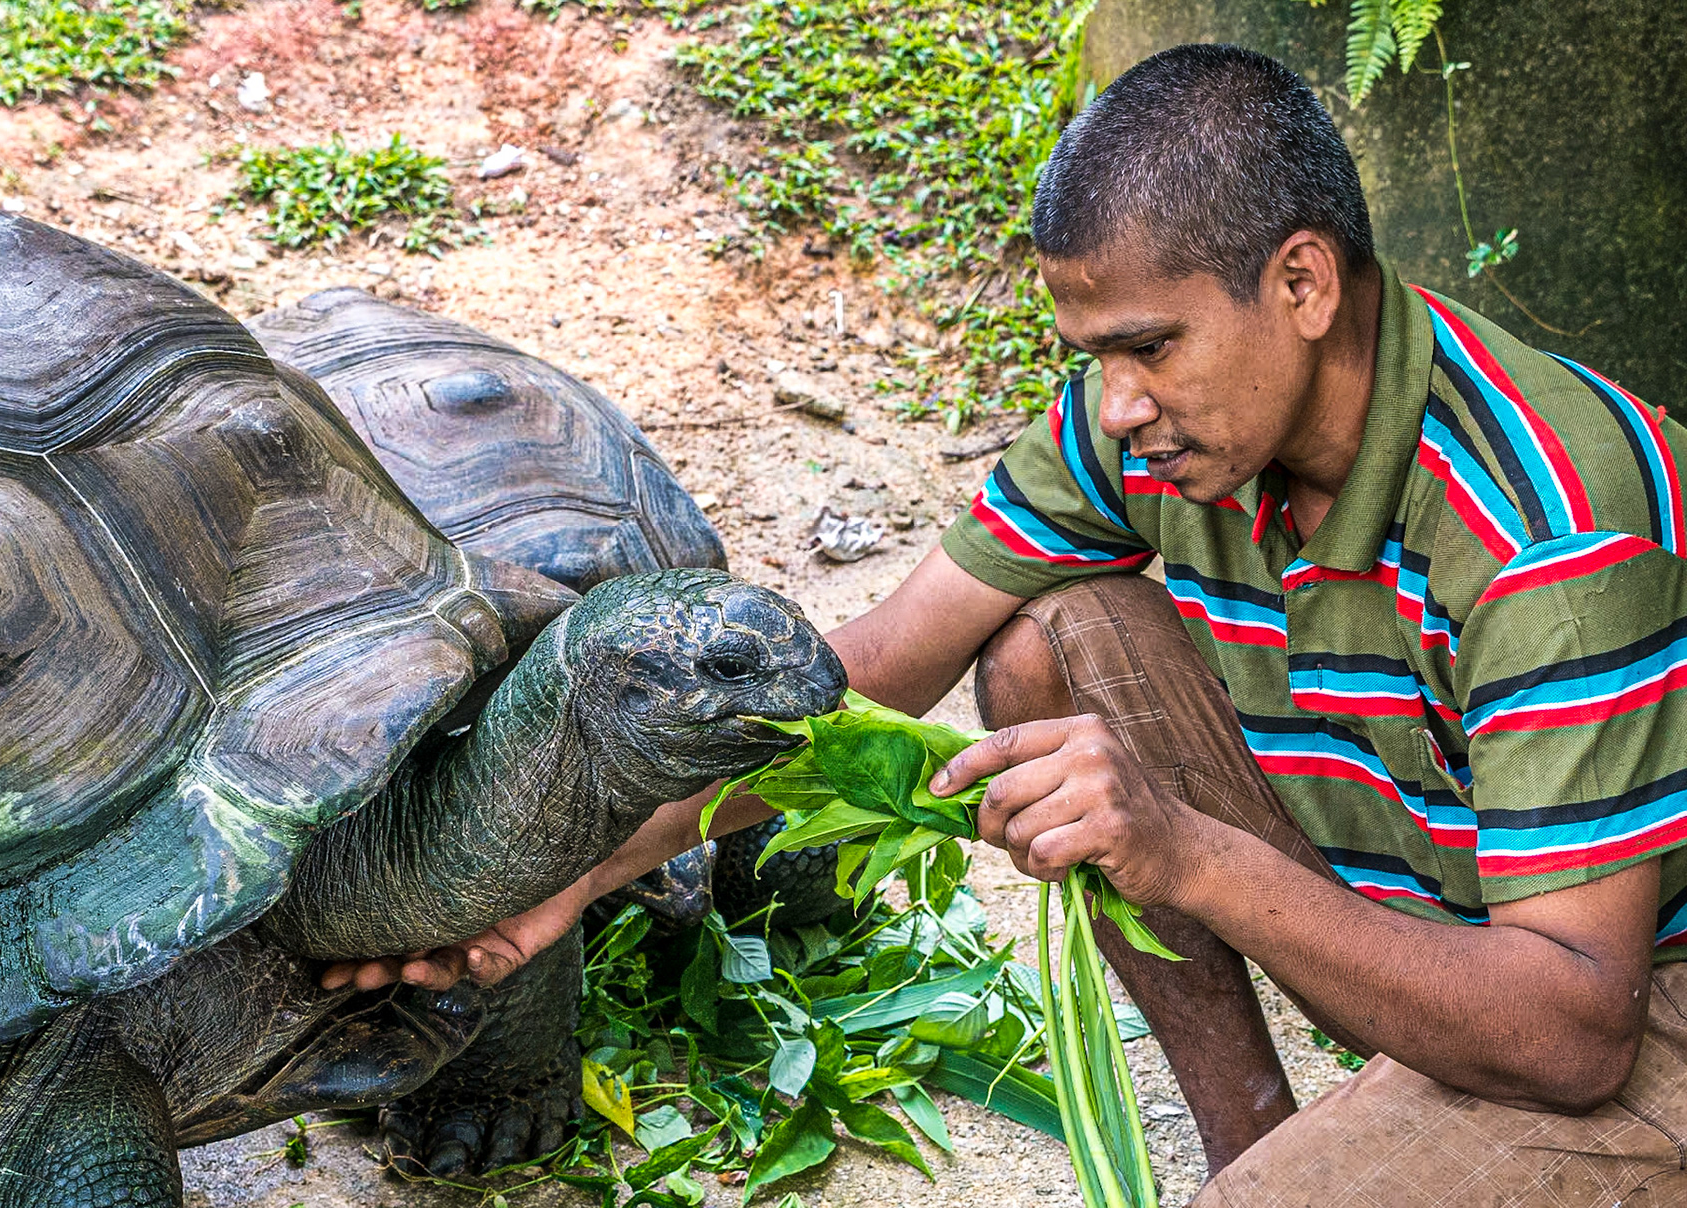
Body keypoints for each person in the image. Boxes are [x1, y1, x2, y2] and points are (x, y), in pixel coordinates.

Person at [328, 44, 1687, 1203]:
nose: (1116, 408)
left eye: (1150, 347)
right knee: (1048, 640)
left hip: (1616, 1001)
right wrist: (550, 879)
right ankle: (1251, 1144)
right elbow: (868, 678)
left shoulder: (1550, 531)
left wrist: (1188, 855)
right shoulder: (1170, 433)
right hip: (1443, 912)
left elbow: (1572, 1031)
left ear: (1304, 285)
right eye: (1093, 357)